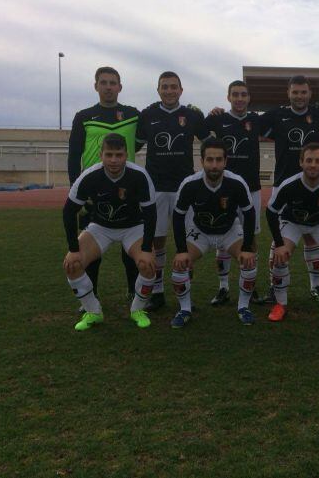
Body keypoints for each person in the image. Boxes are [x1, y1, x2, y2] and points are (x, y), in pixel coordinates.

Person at [258, 76, 319, 303]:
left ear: (309, 93)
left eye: (303, 92)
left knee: (312, 236)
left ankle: (315, 286)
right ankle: (274, 288)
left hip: (314, 183)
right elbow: (249, 122)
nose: (299, 96)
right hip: (283, 184)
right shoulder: (277, 115)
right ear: (288, 93)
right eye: (295, 92)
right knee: (278, 243)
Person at [62, 133, 157, 331]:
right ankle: (93, 312)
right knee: (72, 264)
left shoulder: (139, 175)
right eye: (109, 154)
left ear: (126, 155)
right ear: (101, 155)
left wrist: (147, 247)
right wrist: (73, 248)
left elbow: (150, 214)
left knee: (147, 264)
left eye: (119, 155)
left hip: (133, 228)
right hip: (101, 228)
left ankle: (138, 309)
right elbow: (69, 211)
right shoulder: (89, 176)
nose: (114, 160)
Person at [136, 71, 212, 311]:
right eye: (164, 87)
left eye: (173, 87)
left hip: (184, 187)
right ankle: (157, 292)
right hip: (156, 187)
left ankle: (184, 289)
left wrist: (217, 114)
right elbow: (134, 144)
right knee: (157, 241)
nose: (169, 91)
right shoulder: (147, 115)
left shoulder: (192, 115)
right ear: (158, 90)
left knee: (188, 241)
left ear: (181, 90)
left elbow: (209, 141)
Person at [68, 67, 141, 301]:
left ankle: (132, 291)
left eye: (113, 82)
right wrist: (76, 189)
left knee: (130, 248)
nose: (108, 86)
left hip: (127, 189)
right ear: (96, 86)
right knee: (91, 250)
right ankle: (91, 294)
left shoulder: (133, 114)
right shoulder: (84, 116)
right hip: (93, 192)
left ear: (120, 87)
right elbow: (74, 155)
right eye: (103, 82)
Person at [169, 139, 258, 327]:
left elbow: (249, 214)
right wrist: (181, 249)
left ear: (225, 161)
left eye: (219, 160)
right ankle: (185, 309)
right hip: (200, 231)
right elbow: (178, 217)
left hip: (229, 230)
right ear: (201, 161)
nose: (214, 165)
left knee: (249, 261)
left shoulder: (236, 182)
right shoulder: (189, 184)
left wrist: (248, 247)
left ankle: (243, 307)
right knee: (179, 265)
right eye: (210, 160)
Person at [265, 143, 319, 322]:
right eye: (309, 160)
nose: (313, 165)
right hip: (293, 222)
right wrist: (280, 245)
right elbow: (271, 212)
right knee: (279, 255)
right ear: (301, 162)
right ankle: (280, 304)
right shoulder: (289, 185)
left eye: (317, 161)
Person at [204, 80, 263, 306]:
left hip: (252, 189)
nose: (239, 98)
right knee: (223, 239)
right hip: (224, 188)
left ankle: (251, 285)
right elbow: (198, 128)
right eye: (235, 94)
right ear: (228, 97)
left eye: (244, 95)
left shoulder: (256, 120)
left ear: (249, 98)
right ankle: (223, 288)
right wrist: (210, 112)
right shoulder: (218, 119)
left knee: (251, 239)